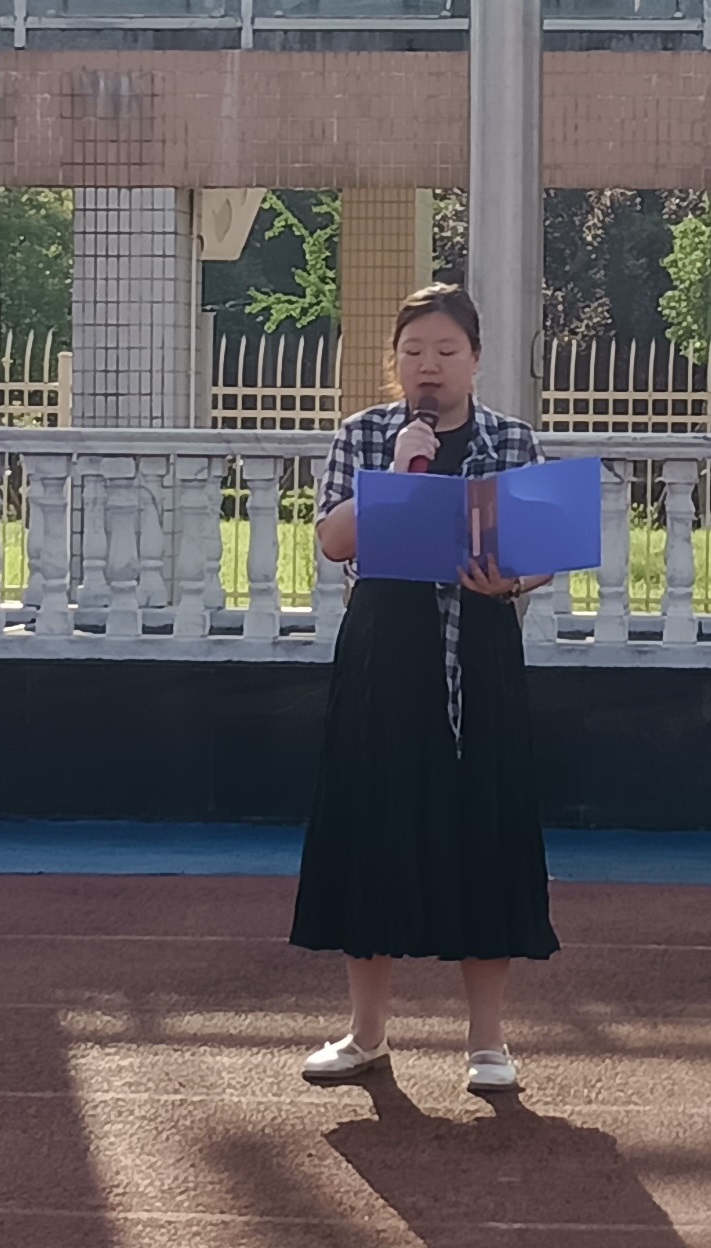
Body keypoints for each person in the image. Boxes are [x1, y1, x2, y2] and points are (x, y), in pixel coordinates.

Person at [290, 283, 559, 1096]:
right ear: (394, 363)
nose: (429, 367)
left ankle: (487, 1041)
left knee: (486, 828)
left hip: (479, 646)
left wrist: (510, 581)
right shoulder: (364, 435)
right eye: (413, 353)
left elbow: (542, 554)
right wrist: (397, 473)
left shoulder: (511, 439)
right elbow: (333, 539)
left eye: (446, 351)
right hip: (386, 650)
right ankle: (366, 1033)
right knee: (372, 827)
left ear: (475, 359)